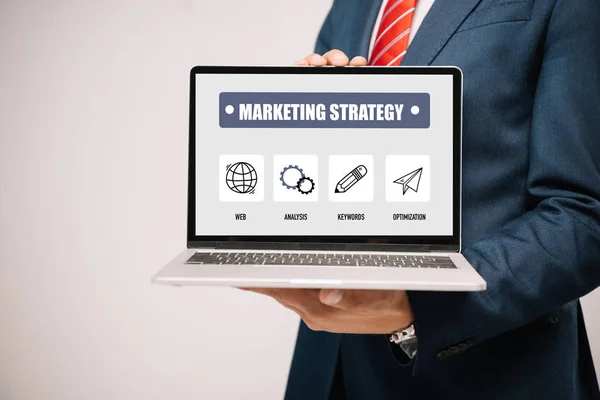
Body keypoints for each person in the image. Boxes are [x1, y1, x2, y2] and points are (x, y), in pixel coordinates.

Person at [246, 0, 600, 398]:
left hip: (492, 375)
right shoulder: (350, 6)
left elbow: (582, 217)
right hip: (334, 370)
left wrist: (422, 307)